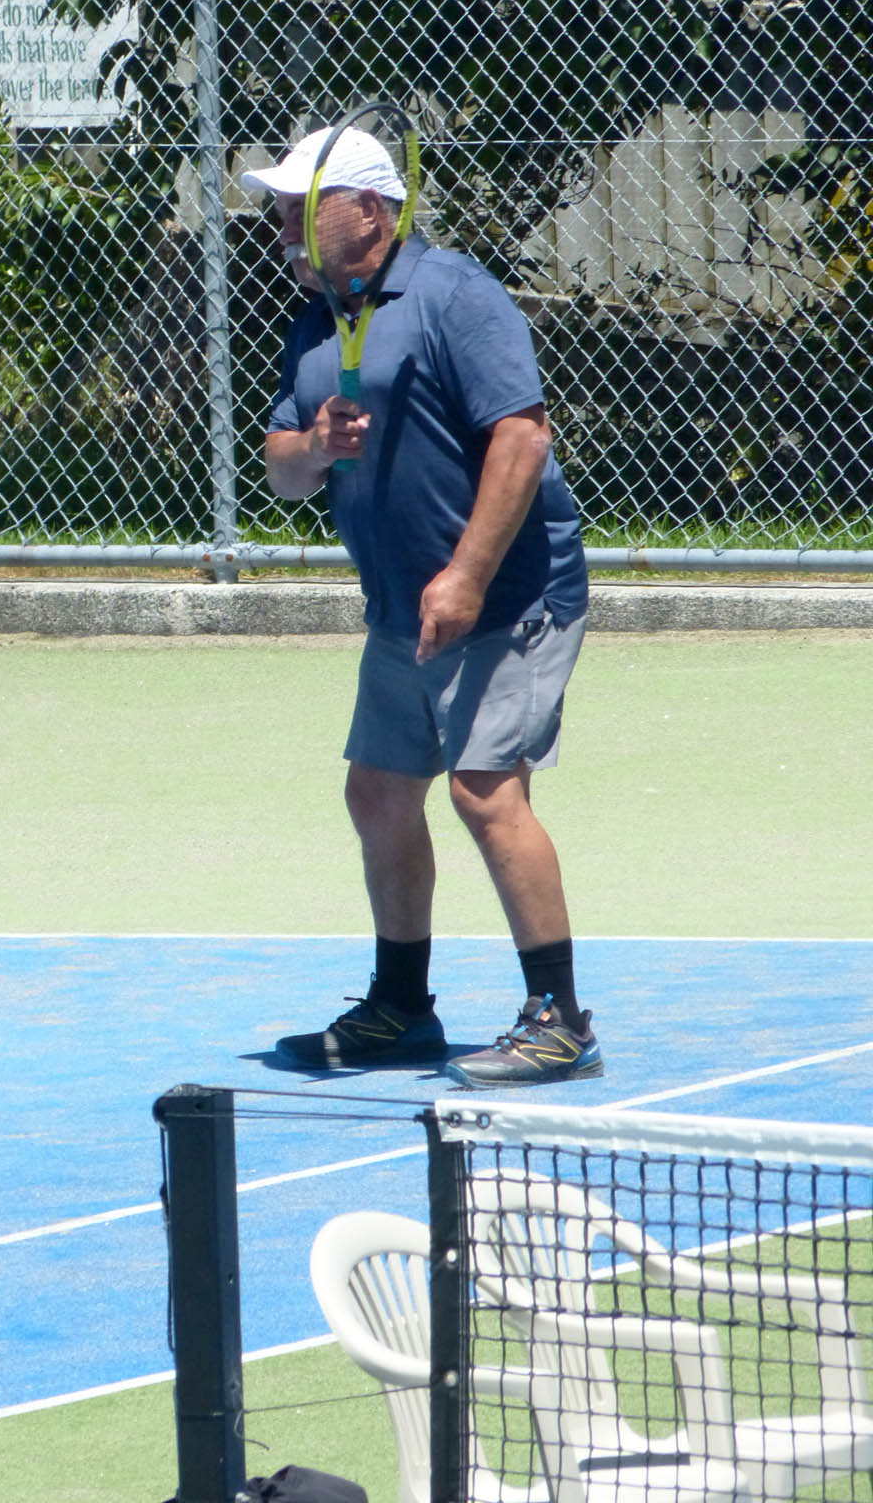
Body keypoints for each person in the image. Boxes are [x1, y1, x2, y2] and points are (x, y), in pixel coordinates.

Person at [240, 125, 602, 1088]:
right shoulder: (317, 318)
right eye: (278, 206)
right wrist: (315, 444)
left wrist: (469, 575)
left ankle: (561, 1022)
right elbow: (280, 470)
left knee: (485, 789)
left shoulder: (455, 295)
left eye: (299, 205)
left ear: (369, 210)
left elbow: (522, 439)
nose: (279, 222)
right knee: (378, 792)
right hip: (403, 605)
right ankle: (401, 1009)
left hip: (510, 595)